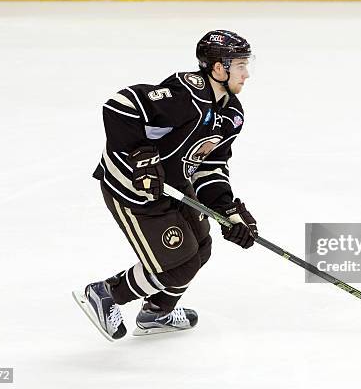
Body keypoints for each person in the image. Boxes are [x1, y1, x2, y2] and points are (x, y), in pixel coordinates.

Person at [74, 30, 259, 341]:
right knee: (176, 263)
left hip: (173, 185)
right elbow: (119, 106)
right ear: (217, 68)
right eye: (240, 65)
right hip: (134, 189)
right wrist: (141, 157)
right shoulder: (185, 96)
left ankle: (156, 313)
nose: (247, 73)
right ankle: (105, 293)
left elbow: (211, 165)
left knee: (201, 247)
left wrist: (228, 210)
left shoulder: (232, 113)